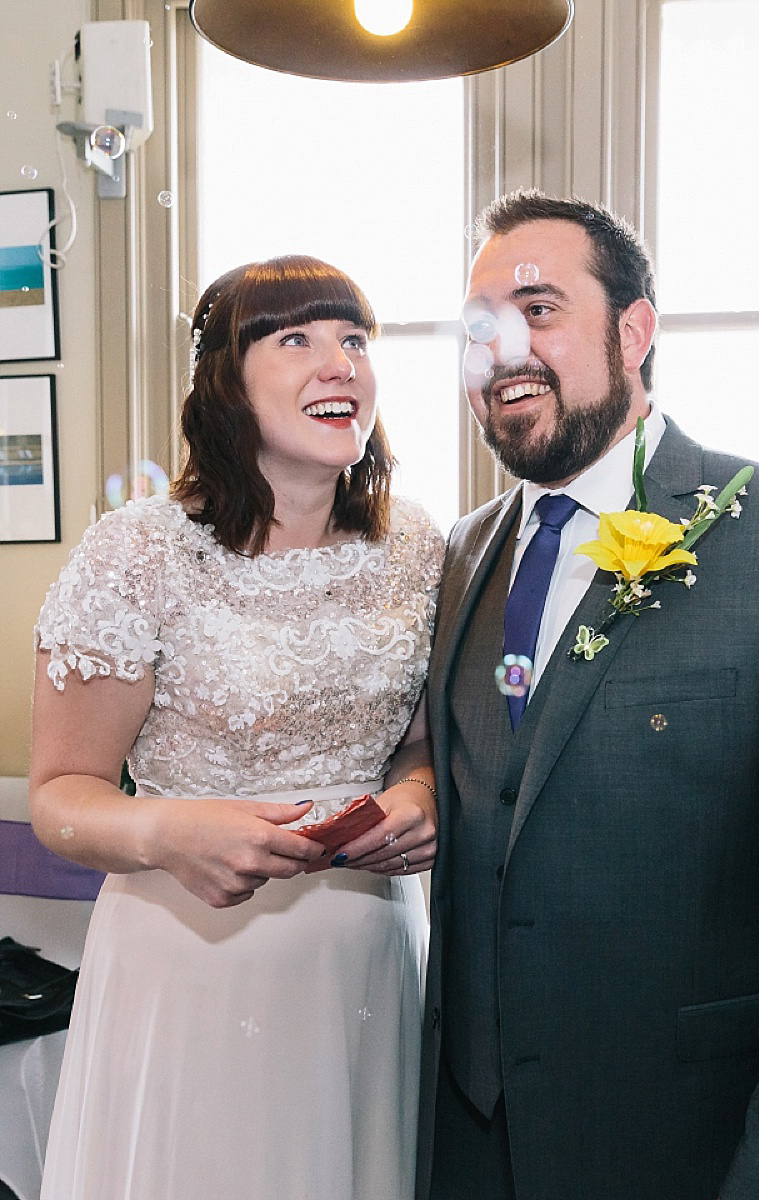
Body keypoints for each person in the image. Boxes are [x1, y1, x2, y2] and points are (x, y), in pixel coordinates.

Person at [417, 191, 759, 1200]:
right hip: (470, 1151)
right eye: (479, 326)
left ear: (635, 329)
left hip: (689, 1156)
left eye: (539, 309)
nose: (502, 350)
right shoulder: (458, 558)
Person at [30, 255, 444, 1200]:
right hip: (189, 956)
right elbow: (59, 796)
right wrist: (168, 830)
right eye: (296, 338)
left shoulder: (417, 547)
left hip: (364, 958)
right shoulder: (140, 552)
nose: (338, 363)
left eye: (354, 340)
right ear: (225, 380)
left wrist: (417, 795)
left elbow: (418, 741)